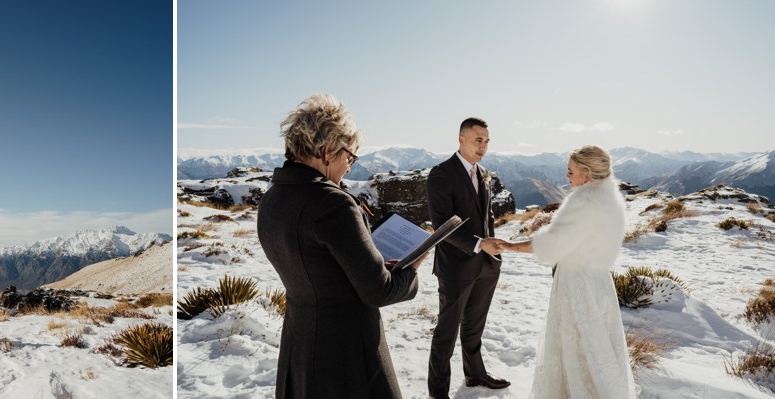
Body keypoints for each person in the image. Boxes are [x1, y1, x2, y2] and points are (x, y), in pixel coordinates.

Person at [257, 93, 423, 399]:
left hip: (300, 345)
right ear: (327, 151)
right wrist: (411, 270)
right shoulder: (333, 204)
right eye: (349, 157)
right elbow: (379, 290)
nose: (349, 167)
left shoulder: (271, 199)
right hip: (348, 357)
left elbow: (319, 266)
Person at [498, 145, 636, 398]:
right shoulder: (609, 197)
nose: (567, 176)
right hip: (599, 282)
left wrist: (509, 246)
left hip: (577, 283)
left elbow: (552, 245)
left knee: (577, 345)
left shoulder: (583, 202)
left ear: (586, 172)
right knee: (598, 345)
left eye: (571, 171)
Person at [425, 117, 510, 398]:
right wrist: (479, 244)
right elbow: (442, 225)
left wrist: (493, 249)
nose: (483, 147)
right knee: (446, 334)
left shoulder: (483, 173)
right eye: (477, 140)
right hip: (455, 267)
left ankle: (475, 375)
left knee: (474, 328)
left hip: (486, 265)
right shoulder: (441, 174)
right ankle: (438, 392)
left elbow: (487, 217)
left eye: (486, 141)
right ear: (461, 139)